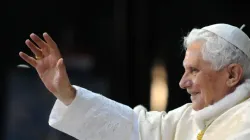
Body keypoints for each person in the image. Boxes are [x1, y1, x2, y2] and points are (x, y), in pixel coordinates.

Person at [19, 23, 250, 140]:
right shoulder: (188, 117)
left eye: (194, 70)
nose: (182, 82)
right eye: (184, 71)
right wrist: (67, 94)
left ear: (232, 75)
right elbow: (135, 129)